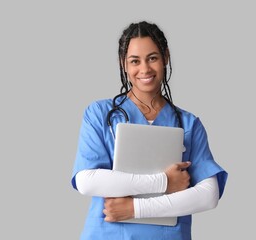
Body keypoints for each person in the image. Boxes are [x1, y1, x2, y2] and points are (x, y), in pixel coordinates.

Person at [70, 21, 228, 240]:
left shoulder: (188, 124)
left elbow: (208, 195)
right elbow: (87, 181)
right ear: (123, 64)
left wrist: (135, 209)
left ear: (166, 57)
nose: (144, 69)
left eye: (152, 58)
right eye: (135, 61)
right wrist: (164, 182)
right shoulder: (99, 114)